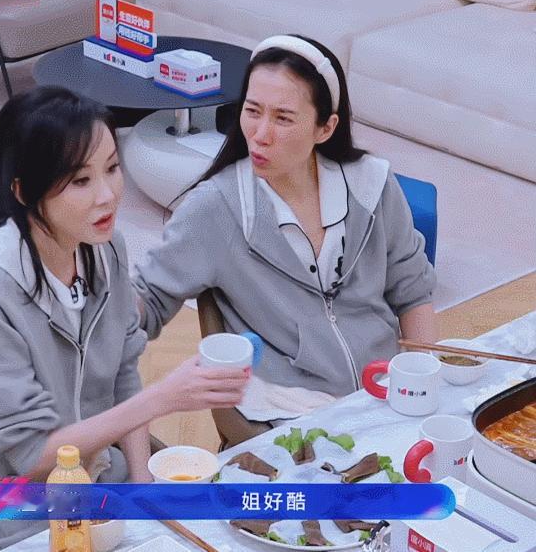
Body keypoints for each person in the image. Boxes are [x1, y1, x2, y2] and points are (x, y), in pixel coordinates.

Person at [0, 87, 248, 552]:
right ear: (24, 191)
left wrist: (142, 487)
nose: (107, 196)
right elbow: (30, 455)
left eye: (112, 168)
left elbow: (123, 371)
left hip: (87, 472)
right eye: (80, 180)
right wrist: (162, 399)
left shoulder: (103, 249)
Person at [133, 35, 437, 419]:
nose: (261, 134)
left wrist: (423, 386)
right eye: (252, 111)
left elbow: (413, 292)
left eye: (283, 118)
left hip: (385, 391)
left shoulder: (371, 185)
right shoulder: (216, 207)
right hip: (288, 409)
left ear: (325, 128)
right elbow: (149, 298)